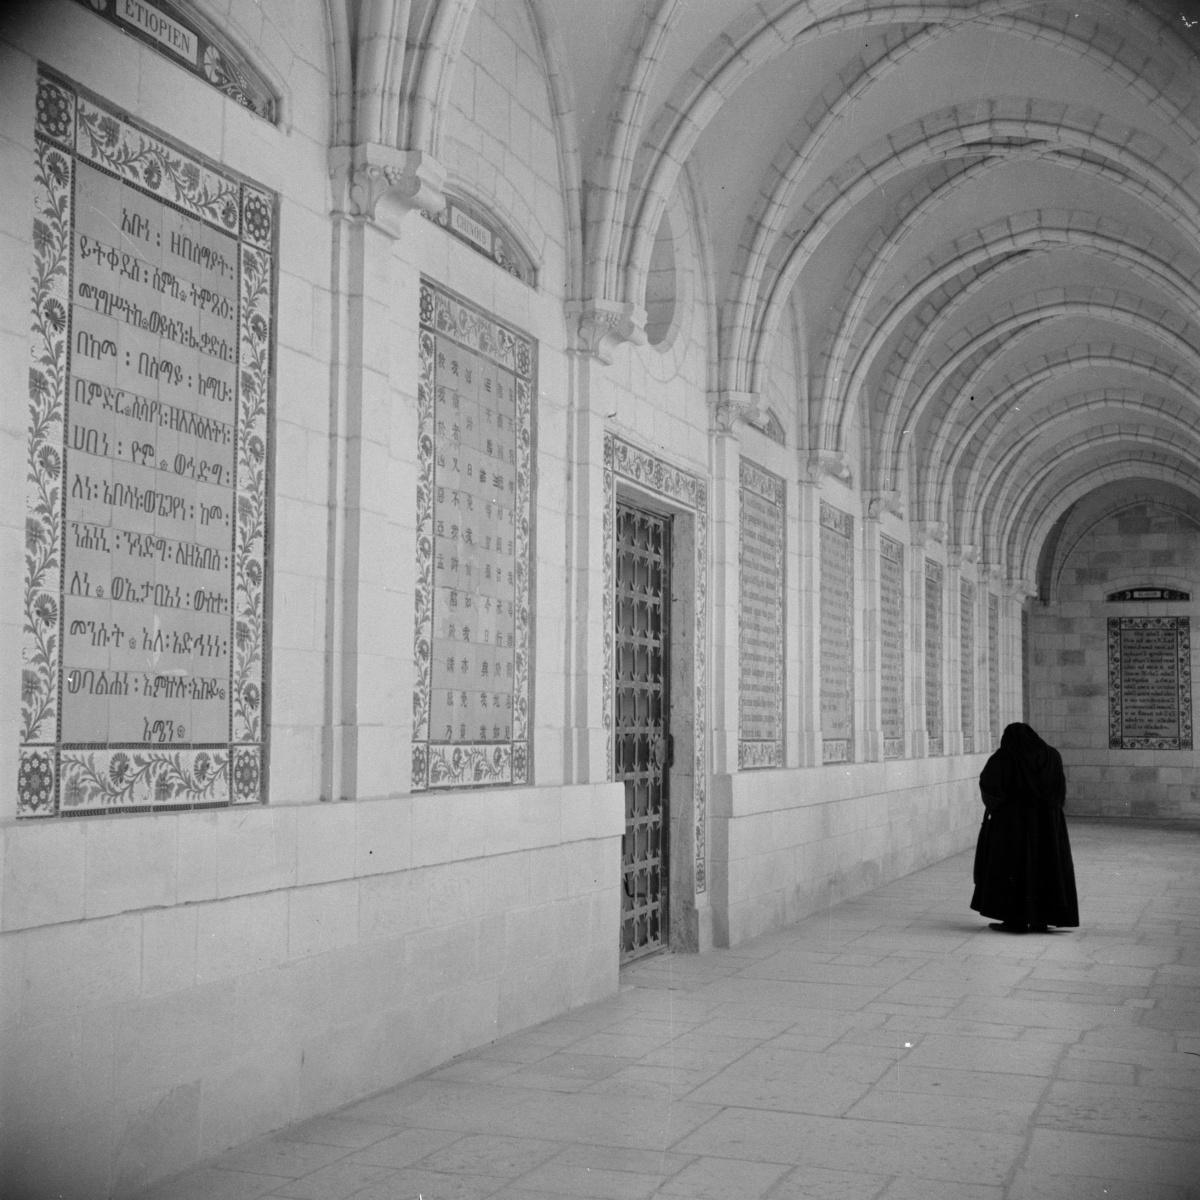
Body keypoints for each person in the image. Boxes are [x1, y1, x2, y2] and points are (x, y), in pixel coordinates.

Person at [970, 722, 1079, 932]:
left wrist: (1003, 807)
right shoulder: (1051, 756)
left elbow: (989, 786)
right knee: (1046, 866)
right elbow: (1059, 790)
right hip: (1048, 826)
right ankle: (1042, 919)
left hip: (1012, 827)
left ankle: (1014, 919)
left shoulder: (1004, 757)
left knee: (1013, 868)